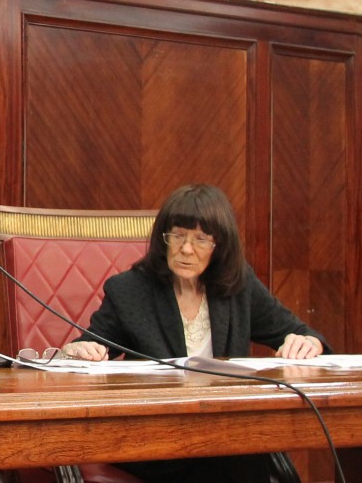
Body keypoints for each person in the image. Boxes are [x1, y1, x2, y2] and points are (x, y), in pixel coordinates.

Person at [61, 183, 327, 482]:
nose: (186, 249)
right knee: (235, 454)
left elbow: (298, 332)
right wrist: (80, 350)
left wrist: (306, 341)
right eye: (178, 235)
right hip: (156, 437)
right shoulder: (131, 290)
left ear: (220, 246)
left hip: (225, 432)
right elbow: (91, 344)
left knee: (244, 448)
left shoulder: (238, 286)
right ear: (164, 238)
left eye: (201, 239)